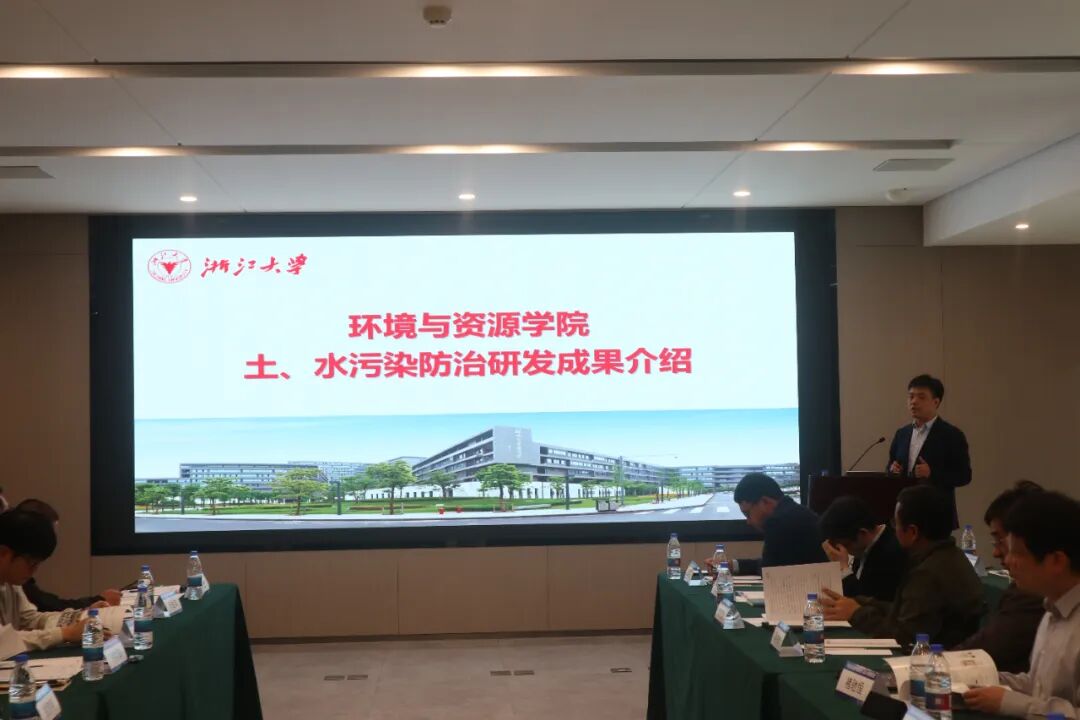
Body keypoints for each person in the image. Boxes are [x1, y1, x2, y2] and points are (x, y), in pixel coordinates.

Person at [964, 490, 1080, 719]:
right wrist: (978, 678)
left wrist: (1010, 703)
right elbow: (1037, 686)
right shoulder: (1052, 611)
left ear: (1057, 561)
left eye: (1017, 553)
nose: (1008, 560)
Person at [819, 485, 983, 647]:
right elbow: (903, 610)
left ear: (912, 532)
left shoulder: (928, 574)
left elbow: (904, 638)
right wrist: (858, 603)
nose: (893, 529)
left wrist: (856, 613)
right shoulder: (948, 556)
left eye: (895, 523)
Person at [953, 481, 1046, 672]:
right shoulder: (1025, 588)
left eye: (1000, 541)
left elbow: (990, 648)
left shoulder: (1033, 593)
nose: (996, 553)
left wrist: (938, 664)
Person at [886, 374, 972, 529]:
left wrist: (932, 473)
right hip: (904, 514)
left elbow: (964, 476)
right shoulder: (902, 434)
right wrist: (893, 471)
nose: (914, 402)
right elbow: (890, 466)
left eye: (921, 397)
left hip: (936, 515)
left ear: (936, 402)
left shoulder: (951, 435)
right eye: (911, 396)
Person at [0, 509, 88, 650]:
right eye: (31, 563)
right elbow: (3, 641)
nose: (33, 571)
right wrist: (66, 634)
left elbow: (30, 620)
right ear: (3, 553)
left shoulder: (11, 582)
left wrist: (80, 617)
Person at [13, 499, 121, 610]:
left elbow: (39, 609)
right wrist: (97, 600)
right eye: (49, 536)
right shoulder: (14, 577)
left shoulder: (19, 579)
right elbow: (44, 606)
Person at [729, 472, 827, 575]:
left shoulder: (779, 522)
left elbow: (769, 572)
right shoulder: (796, 512)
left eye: (748, 514)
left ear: (765, 502)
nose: (748, 521)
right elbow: (775, 563)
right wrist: (734, 565)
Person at [819, 495, 906, 601]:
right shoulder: (867, 545)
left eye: (845, 545)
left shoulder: (890, 556)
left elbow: (863, 602)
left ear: (862, 533)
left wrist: (843, 568)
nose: (844, 552)